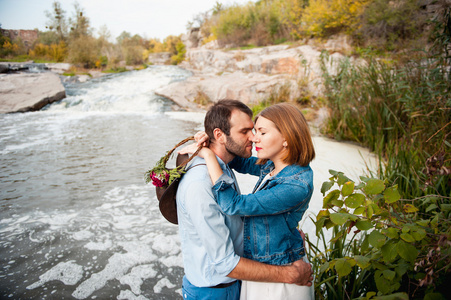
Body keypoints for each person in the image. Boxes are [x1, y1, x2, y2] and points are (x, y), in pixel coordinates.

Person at [176, 100, 313, 300]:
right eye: (247, 131)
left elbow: (234, 201)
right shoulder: (201, 183)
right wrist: (209, 147)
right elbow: (224, 262)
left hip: (259, 275)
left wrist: (210, 150)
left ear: (287, 138)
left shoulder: (290, 179)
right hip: (218, 289)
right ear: (219, 135)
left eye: (259, 132)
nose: (254, 138)